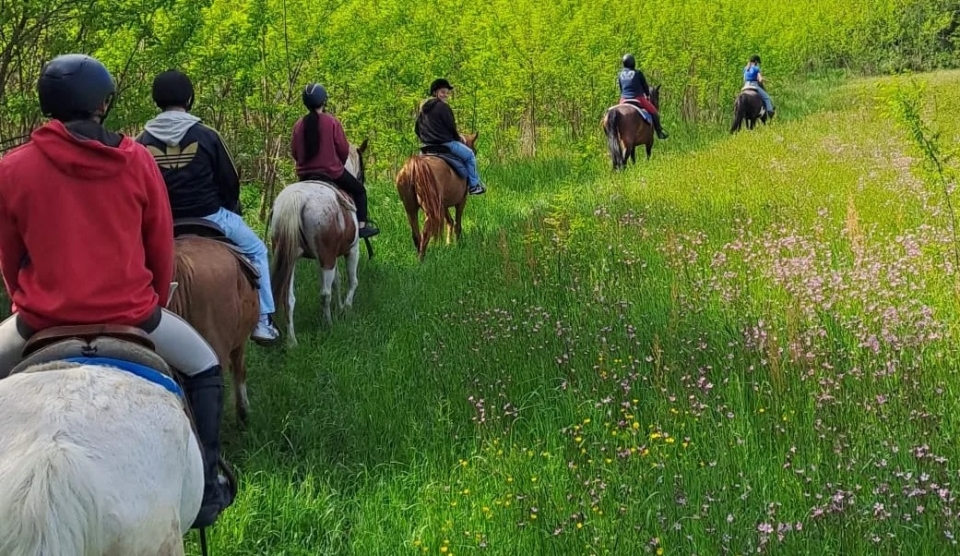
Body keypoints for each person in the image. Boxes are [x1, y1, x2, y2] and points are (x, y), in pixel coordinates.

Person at [0, 54, 234, 529]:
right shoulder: (136, 160)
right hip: (133, 314)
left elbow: (8, 257)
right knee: (205, 365)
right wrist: (151, 297)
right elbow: (159, 246)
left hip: (40, 320)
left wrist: (24, 301)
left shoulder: (11, 167)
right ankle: (208, 484)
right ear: (103, 103)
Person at [137, 69, 281, 343]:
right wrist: (229, 206)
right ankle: (263, 321)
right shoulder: (207, 134)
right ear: (189, 98)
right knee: (258, 251)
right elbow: (230, 180)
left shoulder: (141, 141)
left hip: (163, 223)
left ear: (156, 100)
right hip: (210, 215)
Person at [290, 83, 380, 238]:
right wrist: (338, 162)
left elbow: (294, 152)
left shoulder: (298, 125)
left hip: (305, 176)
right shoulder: (331, 122)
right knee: (359, 191)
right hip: (331, 173)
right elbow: (343, 149)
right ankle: (362, 226)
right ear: (324, 101)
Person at [415, 78, 485, 195]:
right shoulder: (443, 107)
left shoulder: (423, 109)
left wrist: (426, 138)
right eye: (443, 92)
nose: (446, 95)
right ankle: (474, 185)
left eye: (447, 93)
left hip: (427, 147)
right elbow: (451, 127)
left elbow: (417, 129)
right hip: (445, 144)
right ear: (435, 92)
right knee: (470, 155)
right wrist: (458, 137)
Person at [617, 54, 669, 140]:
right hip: (638, 98)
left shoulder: (620, 74)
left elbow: (621, 89)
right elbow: (645, 86)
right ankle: (659, 132)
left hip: (624, 99)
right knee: (654, 112)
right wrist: (647, 94)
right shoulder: (638, 73)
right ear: (633, 63)